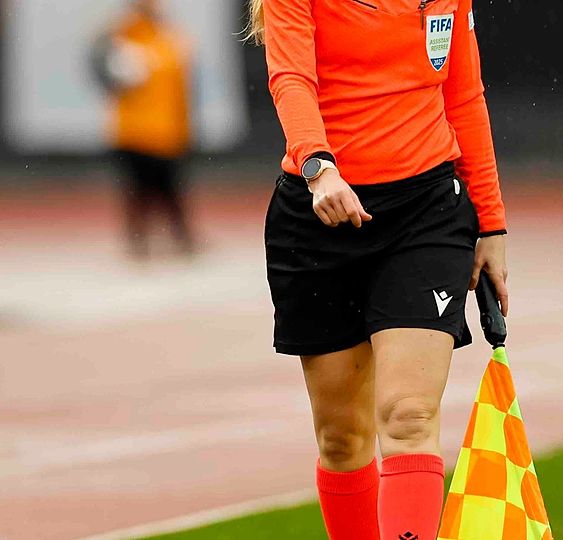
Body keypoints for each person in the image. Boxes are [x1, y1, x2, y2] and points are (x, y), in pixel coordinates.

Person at [246, 0, 509, 538]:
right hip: (319, 214)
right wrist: (319, 167)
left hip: (426, 214)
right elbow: (291, 77)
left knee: (409, 416)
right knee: (342, 438)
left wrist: (492, 223)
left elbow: (464, 95)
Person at [92, 0, 195, 259]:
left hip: (165, 131)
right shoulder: (121, 38)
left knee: (169, 190)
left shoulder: (170, 40)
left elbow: (182, 89)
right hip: (135, 132)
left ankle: (178, 239)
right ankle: (141, 241)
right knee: (139, 191)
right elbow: (100, 65)